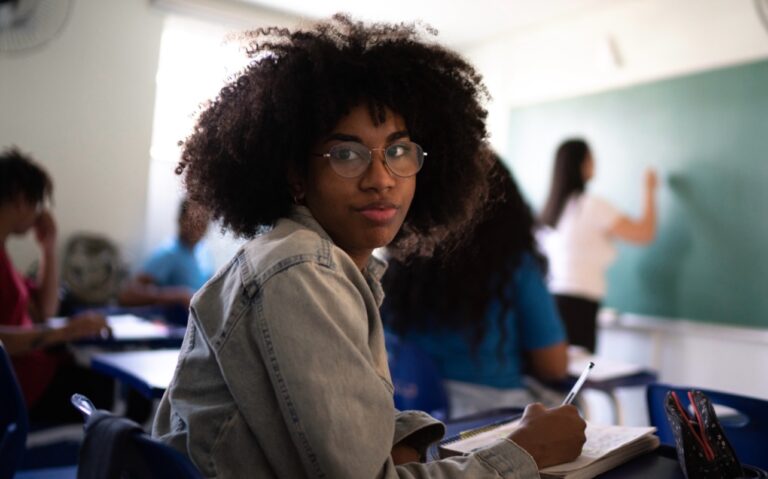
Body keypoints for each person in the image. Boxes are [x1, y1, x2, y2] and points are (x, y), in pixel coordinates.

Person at [152, 15, 586, 478]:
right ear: (298, 176)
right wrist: (524, 454)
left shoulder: (325, 265)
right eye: (346, 154)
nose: (381, 179)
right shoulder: (299, 269)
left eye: (398, 151)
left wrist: (401, 441)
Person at [383, 156, 568, 418]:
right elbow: (554, 366)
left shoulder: (398, 265)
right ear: (507, 205)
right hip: (490, 420)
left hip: (407, 414)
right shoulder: (515, 267)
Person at [0, 146, 112, 422]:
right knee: (110, 391)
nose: (39, 212)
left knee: (105, 383)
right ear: (19, 198)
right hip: (18, 391)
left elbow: (46, 311)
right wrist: (66, 331)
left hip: (30, 378)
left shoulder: (4, 257)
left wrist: (48, 248)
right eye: (37, 202)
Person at [539, 138, 657, 353]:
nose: (595, 163)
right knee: (576, 376)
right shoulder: (591, 205)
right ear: (581, 165)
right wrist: (649, 190)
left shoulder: (551, 210)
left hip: (552, 301)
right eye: (591, 158)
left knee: (558, 381)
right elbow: (643, 233)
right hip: (578, 307)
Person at [118, 198, 214, 311]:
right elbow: (128, 294)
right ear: (180, 220)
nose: (199, 226)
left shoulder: (204, 253)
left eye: (204, 221)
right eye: (194, 221)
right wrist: (178, 295)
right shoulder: (169, 253)